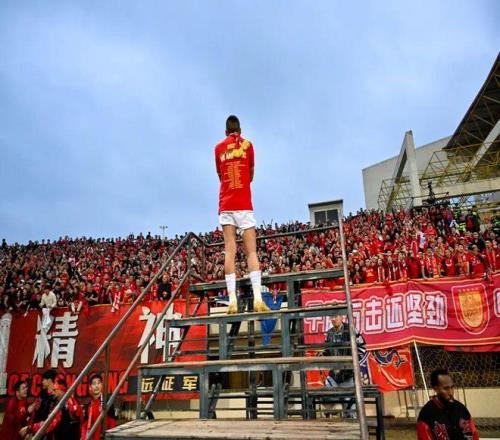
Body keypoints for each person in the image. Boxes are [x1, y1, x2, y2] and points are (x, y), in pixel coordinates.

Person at [214, 115, 269, 314]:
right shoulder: (248, 145)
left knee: (230, 251)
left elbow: (220, 176)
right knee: (251, 252)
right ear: (240, 130)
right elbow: (251, 175)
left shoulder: (218, 148)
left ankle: (232, 301)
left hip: (226, 204)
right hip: (244, 203)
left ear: (225, 131)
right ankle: (258, 298)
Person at [323, 314, 367, 418]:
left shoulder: (351, 330)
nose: (333, 319)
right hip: (334, 375)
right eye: (332, 317)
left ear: (342, 317)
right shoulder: (329, 333)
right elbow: (327, 351)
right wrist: (323, 355)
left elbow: (362, 348)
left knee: (350, 410)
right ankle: (332, 409)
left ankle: (352, 423)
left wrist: (351, 364)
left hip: (348, 375)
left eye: (336, 316)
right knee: (326, 395)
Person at [417, 368, 479, 440]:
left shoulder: (461, 409)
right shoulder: (426, 414)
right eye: (446, 388)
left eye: (452, 387)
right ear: (435, 389)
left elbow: (474, 434)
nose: (451, 392)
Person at [81, 374, 117, 440]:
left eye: (99, 383)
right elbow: (85, 425)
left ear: (101, 385)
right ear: (90, 387)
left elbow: (112, 423)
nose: (97, 386)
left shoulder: (107, 402)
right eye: (94, 384)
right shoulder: (88, 405)